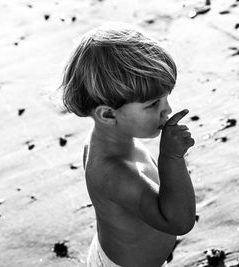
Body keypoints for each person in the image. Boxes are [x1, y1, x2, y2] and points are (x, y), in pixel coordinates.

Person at [60, 22, 196, 267]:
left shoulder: (107, 140)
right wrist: (171, 159)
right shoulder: (115, 173)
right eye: (153, 104)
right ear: (109, 115)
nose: (167, 109)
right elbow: (180, 222)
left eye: (166, 98)